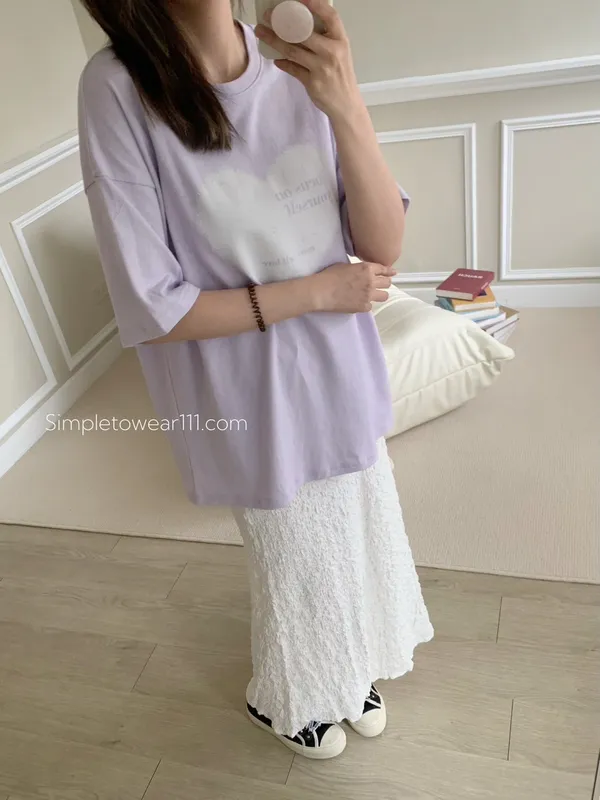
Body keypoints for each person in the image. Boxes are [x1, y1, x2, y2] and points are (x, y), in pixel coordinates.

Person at [79, 0, 433, 760]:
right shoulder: (117, 86)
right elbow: (154, 307)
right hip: (241, 389)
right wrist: (318, 292)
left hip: (339, 365)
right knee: (295, 558)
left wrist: (345, 100)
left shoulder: (294, 63)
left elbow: (382, 244)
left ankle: (347, 670)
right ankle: (285, 696)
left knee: (360, 527)